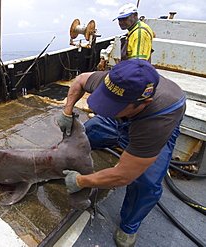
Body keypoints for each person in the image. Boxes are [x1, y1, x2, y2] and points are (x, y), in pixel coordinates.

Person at [57, 59, 185, 247]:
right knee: (83, 136)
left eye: (112, 106)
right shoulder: (116, 82)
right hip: (118, 119)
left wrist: (80, 181)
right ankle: (114, 123)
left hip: (148, 125)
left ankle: (129, 225)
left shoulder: (157, 123)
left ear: (144, 103)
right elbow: (80, 81)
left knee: (146, 182)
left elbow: (123, 175)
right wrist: (67, 112)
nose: (98, 108)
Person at [98, 3, 154, 70]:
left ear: (135, 15)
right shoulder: (133, 31)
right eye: (119, 20)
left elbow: (138, 63)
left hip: (136, 73)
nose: (121, 22)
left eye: (125, 19)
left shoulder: (140, 33)